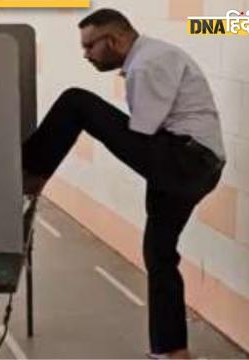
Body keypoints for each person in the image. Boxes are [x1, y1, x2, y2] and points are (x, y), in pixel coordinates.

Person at [22, 8, 226, 359]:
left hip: (185, 161)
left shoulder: (147, 63)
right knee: (159, 255)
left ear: (113, 40)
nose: (85, 55)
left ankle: (27, 176)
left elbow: (142, 133)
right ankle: (172, 351)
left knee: (76, 102)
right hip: (191, 167)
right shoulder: (150, 57)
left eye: (90, 46)